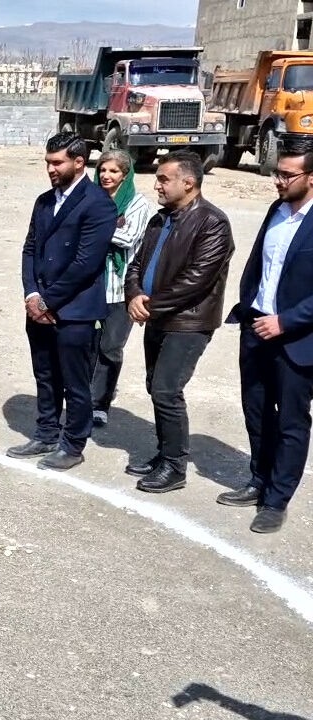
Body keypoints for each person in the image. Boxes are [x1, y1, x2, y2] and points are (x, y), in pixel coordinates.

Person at [123, 151, 233, 493]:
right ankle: (164, 454)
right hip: (157, 318)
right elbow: (136, 264)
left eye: (164, 179)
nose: (157, 185)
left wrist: (149, 306)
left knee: (167, 390)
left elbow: (197, 280)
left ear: (189, 182)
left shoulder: (212, 222)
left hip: (188, 323)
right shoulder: (160, 220)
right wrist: (134, 294)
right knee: (155, 387)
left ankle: (174, 467)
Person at [8, 132, 117, 470]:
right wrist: (32, 294)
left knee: (75, 382)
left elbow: (86, 263)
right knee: (45, 375)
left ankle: (72, 444)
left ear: (79, 162)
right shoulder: (44, 201)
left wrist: (47, 302)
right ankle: (46, 433)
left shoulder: (98, 204)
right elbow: (30, 249)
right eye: (48, 163)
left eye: (58, 163)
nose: (51, 169)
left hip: (74, 310)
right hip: (39, 306)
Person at [220, 140, 313, 532]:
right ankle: (259, 479)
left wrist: (286, 321)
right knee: (256, 410)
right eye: (278, 172)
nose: (278, 180)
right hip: (256, 328)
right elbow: (260, 265)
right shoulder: (276, 210)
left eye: (288, 175)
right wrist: (249, 307)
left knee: (291, 421)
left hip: (297, 339)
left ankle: (276, 500)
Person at [89, 150, 154, 428]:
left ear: (125, 175)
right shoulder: (91, 198)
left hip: (120, 287)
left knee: (111, 347)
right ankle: (86, 398)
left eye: (113, 171)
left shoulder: (138, 204)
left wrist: (91, 228)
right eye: (103, 170)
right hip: (91, 285)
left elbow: (127, 238)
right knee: (88, 345)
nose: (106, 176)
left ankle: (100, 404)